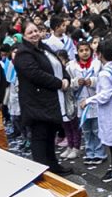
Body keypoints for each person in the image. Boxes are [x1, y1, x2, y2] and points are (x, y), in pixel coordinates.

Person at [14, 20, 74, 174]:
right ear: (24, 36)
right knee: (40, 137)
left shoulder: (44, 47)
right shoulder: (23, 54)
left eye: (36, 31)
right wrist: (59, 83)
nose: (34, 34)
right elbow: (35, 74)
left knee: (49, 135)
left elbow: (58, 65)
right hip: (36, 103)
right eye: (30, 32)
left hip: (50, 101)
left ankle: (53, 166)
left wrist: (66, 77)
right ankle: (43, 171)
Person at [84, 40, 112, 185]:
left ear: (99, 54)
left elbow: (106, 94)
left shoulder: (104, 73)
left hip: (111, 110)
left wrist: (89, 100)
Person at [68, 41, 104, 167]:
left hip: (94, 101)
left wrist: (93, 81)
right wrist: (76, 82)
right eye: (81, 50)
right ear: (77, 52)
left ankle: (99, 153)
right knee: (86, 130)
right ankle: (89, 153)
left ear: (91, 51)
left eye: (86, 50)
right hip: (81, 103)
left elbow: (103, 79)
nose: (84, 53)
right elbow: (68, 83)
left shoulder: (97, 64)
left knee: (96, 129)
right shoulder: (71, 66)